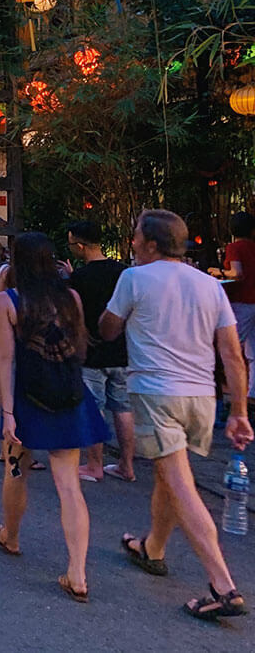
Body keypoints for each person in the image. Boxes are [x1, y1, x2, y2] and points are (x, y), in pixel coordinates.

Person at [99, 209, 253, 621]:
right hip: (202, 398)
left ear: (150, 244)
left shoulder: (134, 278)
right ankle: (154, 549)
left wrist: (110, 316)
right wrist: (238, 411)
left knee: (180, 484)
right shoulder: (210, 285)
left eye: (135, 237)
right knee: (170, 476)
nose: (132, 243)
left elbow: (108, 329)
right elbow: (233, 355)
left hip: (156, 393)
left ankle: (222, 585)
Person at [0, 231, 107, 603]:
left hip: (28, 398)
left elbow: (4, 359)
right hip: (68, 394)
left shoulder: (7, 302)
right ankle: (78, 572)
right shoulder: (70, 297)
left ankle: (12, 535)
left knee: (15, 469)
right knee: (69, 484)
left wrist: (7, 412)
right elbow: (78, 346)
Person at [65, 220, 134, 482]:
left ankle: (94, 464)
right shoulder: (123, 272)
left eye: (72, 244)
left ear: (80, 245)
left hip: (91, 352)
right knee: (123, 408)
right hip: (121, 350)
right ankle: (126, 465)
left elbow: (73, 315)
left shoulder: (79, 278)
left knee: (94, 409)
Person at [209, 211, 255, 402]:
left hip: (240, 301)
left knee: (233, 347)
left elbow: (236, 273)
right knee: (253, 350)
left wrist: (218, 271)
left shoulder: (234, 247)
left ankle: (233, 393)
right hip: (253, 300)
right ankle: (252, 393)